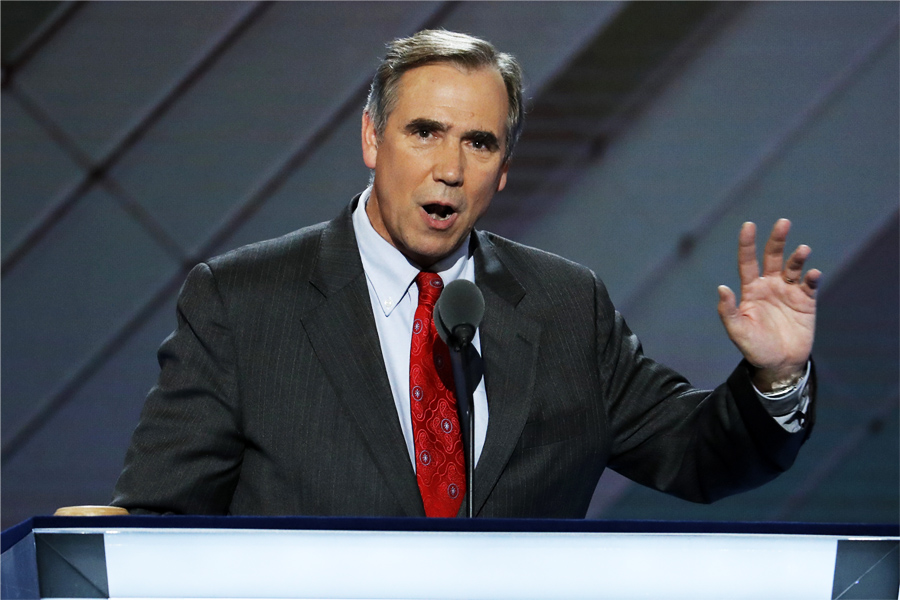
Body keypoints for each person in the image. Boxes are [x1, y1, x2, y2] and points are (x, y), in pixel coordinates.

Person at [112, 30, 819, 519]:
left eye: (479, 143)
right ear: (370, 137)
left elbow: (696, 456)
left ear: (504, 170)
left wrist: (775, 380)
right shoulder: (242, 302)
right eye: (424, 132)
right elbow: (164, 514)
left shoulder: (568, 306)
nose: (449, 169)